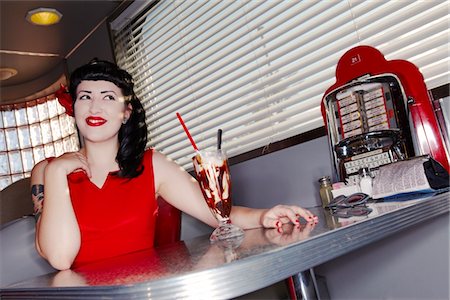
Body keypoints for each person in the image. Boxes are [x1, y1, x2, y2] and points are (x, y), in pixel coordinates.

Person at [31, 59, 318, 270]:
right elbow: (60, 257)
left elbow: (217, 215)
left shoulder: (153, 164)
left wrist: (264, 216)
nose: (95, 107)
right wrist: (57, 171)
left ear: (126, 112)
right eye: (85, 97)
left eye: (108, 97)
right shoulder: (47, 172)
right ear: (74, 108)